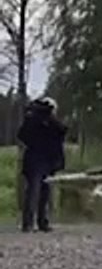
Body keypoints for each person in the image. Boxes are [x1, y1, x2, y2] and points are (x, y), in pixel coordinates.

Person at [17, 96, 68, 233]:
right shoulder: (41, 121)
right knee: (36, 191)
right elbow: (62, 131)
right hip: (39, 160)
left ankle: (39, 222)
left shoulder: (40, 120)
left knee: (42, 192)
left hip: (41, 160)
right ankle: (31, 223)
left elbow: (61, 131)